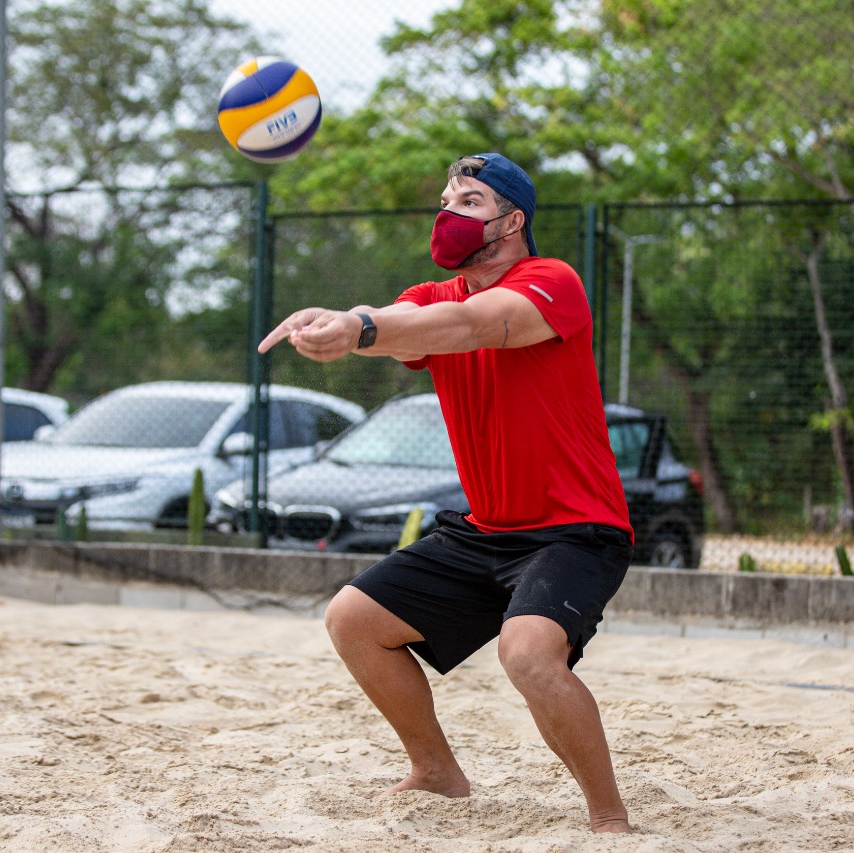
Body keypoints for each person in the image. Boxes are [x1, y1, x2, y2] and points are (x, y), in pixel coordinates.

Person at [258, 153, 634, 834]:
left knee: (526, 653)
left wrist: (361, 327)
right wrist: (338, 322)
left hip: (576, 529)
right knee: (354, 620)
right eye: (445, 199)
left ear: (512, 220)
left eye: (468, 201)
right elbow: (400, 320)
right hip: (486, 529)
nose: (447, 213)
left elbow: (475, 327)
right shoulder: (434, 297)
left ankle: (609, 819)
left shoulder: (552, 282)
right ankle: (436, 770)